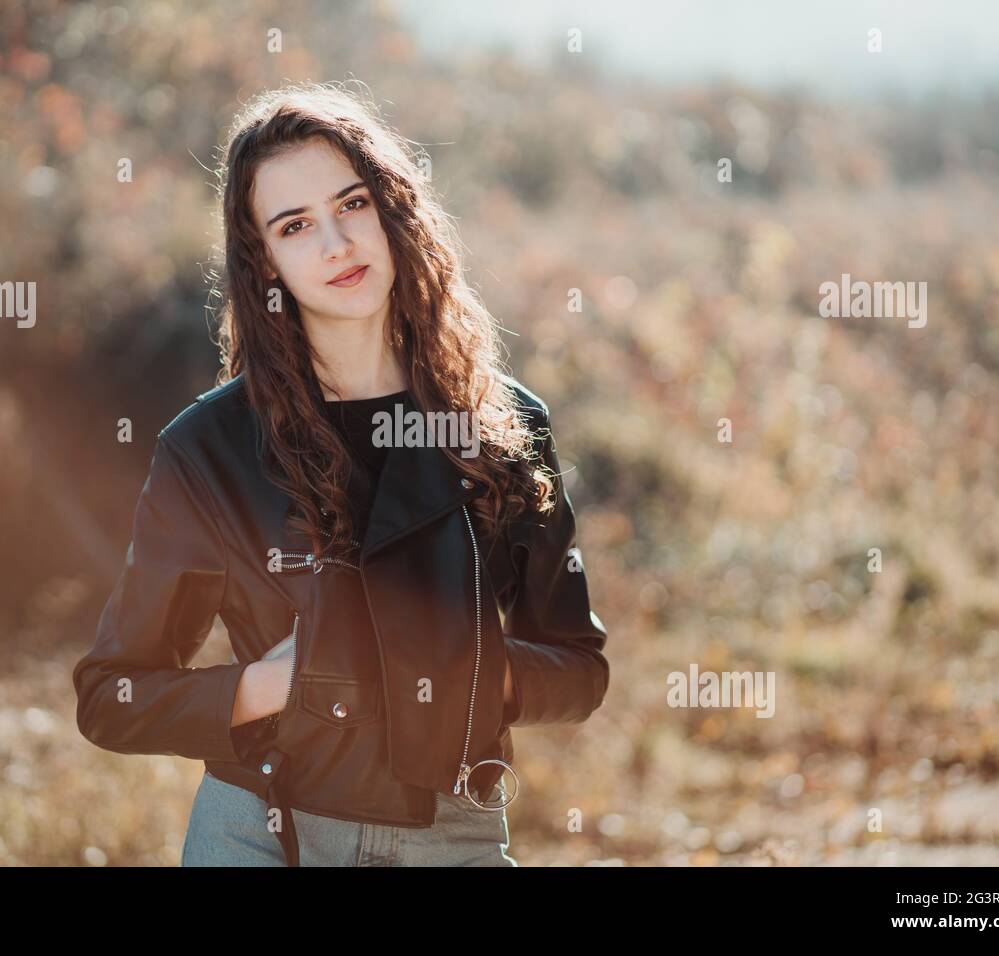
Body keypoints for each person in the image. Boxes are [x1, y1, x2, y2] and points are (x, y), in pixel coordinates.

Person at [73, 81, 609, 866]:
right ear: (266, 263)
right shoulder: (209, 447)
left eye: (352, 205)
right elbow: (110, 698)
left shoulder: (506, 423)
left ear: (394, 211)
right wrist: (269, 684)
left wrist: (466, 668)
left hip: (451, 834)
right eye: (295, 226)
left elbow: (580, 671)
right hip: (261, 828)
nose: (336, 245)